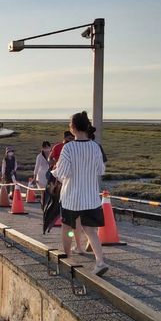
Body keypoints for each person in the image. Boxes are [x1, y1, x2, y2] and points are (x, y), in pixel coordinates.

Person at [52, 111, 108, 276]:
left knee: (67, 227)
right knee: (90, 230)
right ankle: (100, 261)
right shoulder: (95, 147)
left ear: (74, 127)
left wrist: (54, 171)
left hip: (72, 197)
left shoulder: (68, 148)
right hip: (91, 198)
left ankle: (67, 258)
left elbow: (62, 173)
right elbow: (100, 170)